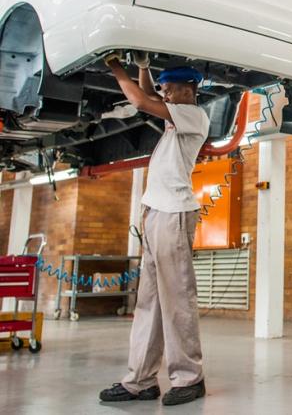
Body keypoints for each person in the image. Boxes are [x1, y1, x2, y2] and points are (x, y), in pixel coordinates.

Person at [99, 52, 210, 405]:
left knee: (177, 300)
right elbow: (148, 95)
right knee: (149, 303)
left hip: (174, 215)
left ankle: (190, 378)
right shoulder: (176, 117)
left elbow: (139, 100)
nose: (163, 93)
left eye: (167, 88)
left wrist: (115, 66)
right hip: (155, 215)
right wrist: (144, 68)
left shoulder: (193, 115)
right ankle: (141, 381)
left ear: (185, 88)